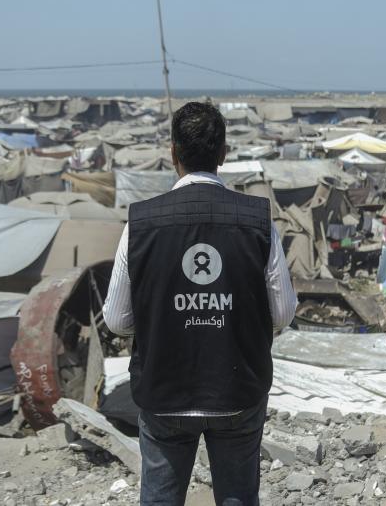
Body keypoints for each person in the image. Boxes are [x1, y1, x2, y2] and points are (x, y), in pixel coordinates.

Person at [104, 101, 296, 506]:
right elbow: (282, 313)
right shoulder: (258, 220)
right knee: (238, 496)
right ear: (223, 153)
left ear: (173, 152)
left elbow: (117, 320)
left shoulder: (140, 223)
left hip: (164, 391)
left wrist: (165, 318)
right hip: (238, 390)